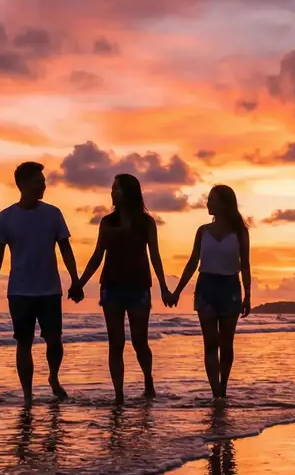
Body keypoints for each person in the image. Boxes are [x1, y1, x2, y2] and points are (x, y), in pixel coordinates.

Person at [71, 173, 173, 404]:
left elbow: (154, 256)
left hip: (138, 287)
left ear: (128, 192)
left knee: (139, 340)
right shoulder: (107, 222)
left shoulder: (146, 222)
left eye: (116, 188)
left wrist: (164, 288)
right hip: (112, 286)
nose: (112, 192)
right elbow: (97, 255)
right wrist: (80, 283)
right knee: (115, 342)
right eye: (112, 188)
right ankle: (119, 395)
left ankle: (148, 381)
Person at [0, 161, 79, 403]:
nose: (43, 185)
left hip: (49, 289)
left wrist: (75, 279)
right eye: (38, 181)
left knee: (54, 341)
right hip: (19, 291)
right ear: (23, 185)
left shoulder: (53, 213)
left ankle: (53, 377)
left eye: (43, 181)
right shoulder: (6, 217)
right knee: (23, 342)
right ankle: (27, 396)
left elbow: (66, 248)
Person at [170, 185, 251, 404]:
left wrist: (248, 295)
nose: (207, 203)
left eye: (211, 199)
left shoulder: (240, 232)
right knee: (210, 343)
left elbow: (245, 265)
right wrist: (177, 291)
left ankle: (223, 387)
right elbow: (192, 262)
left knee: (226, 343)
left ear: (223, 203)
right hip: (206, 287)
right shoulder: (202, 231)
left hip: (230, 287)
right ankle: (215, 392)